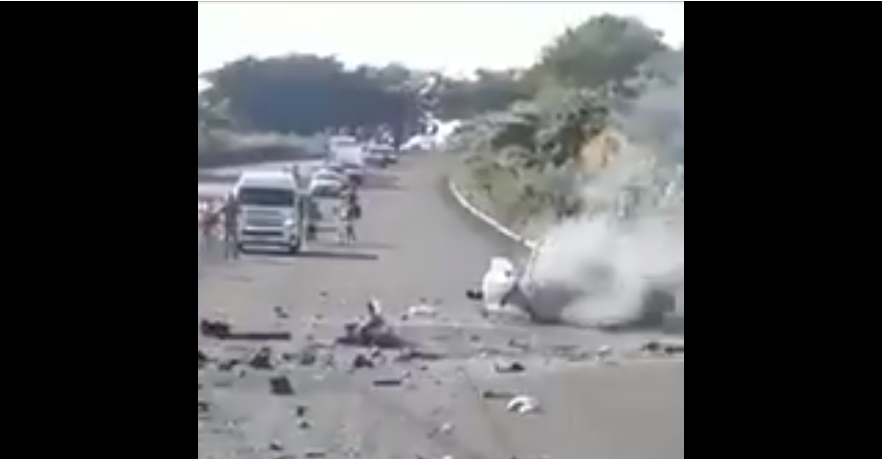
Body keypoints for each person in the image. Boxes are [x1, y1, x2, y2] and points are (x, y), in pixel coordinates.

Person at [221, 193, 242, 260]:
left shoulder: (227, 205)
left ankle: (226, 254)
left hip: (227, 224)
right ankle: (235, 254)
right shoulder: (235, 205)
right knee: (235, 240)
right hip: (233, 224)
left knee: (227, 240)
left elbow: (222, 211)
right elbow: (240, 212)